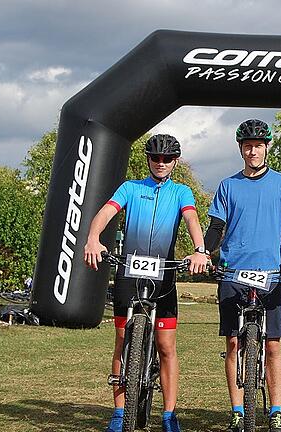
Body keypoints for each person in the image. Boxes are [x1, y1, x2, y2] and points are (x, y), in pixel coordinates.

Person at [84, 134, 209, 432]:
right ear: (148, 160)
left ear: (175, 161)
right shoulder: (131, 187)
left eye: (167, 159)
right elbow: (105, 212)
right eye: (156, 158)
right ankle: (118, 413)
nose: (161, 163)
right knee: (121, 341)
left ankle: (168, 414)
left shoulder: (182, 192)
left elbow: (191, 220)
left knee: (166, 346)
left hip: (164, 274)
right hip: (130, 271)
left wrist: (199, 250)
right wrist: (92, 238)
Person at [203, 119, 281, 432]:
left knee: (274, 346)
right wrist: (204, 252)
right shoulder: (227, 186)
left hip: (271, 274)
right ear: (241, 149)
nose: (253, 151)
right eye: (248, 146)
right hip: (232, 271)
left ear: (267, 148)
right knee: (233, 343)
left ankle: (276, 410)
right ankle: (237, 411)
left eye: (258, 145)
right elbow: (215, 228)